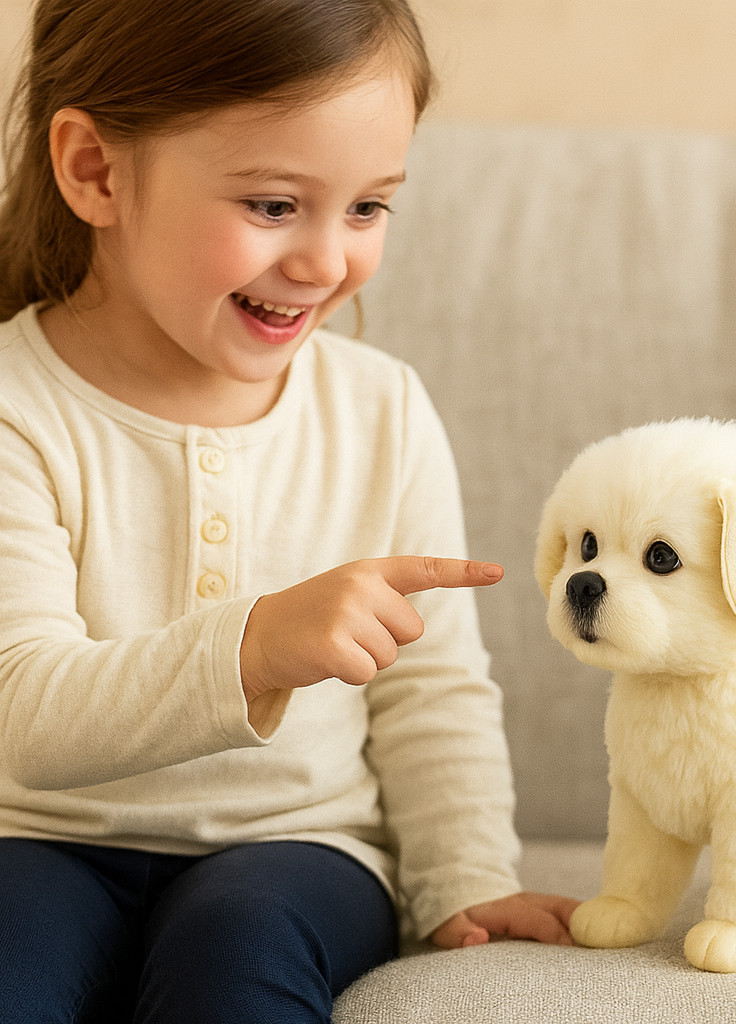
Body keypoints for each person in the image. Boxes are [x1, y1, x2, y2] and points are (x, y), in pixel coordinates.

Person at [0, 1, 579, 1020]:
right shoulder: (18, 407)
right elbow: (23, 711)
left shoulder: (380, 410)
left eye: (368, 208)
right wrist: (254, 646)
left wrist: (466, 876)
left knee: (240, 953)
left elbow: (432, 686)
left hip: (301, 846)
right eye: (273, 204)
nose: (324, 262)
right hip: (33, 836)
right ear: (94, 170)